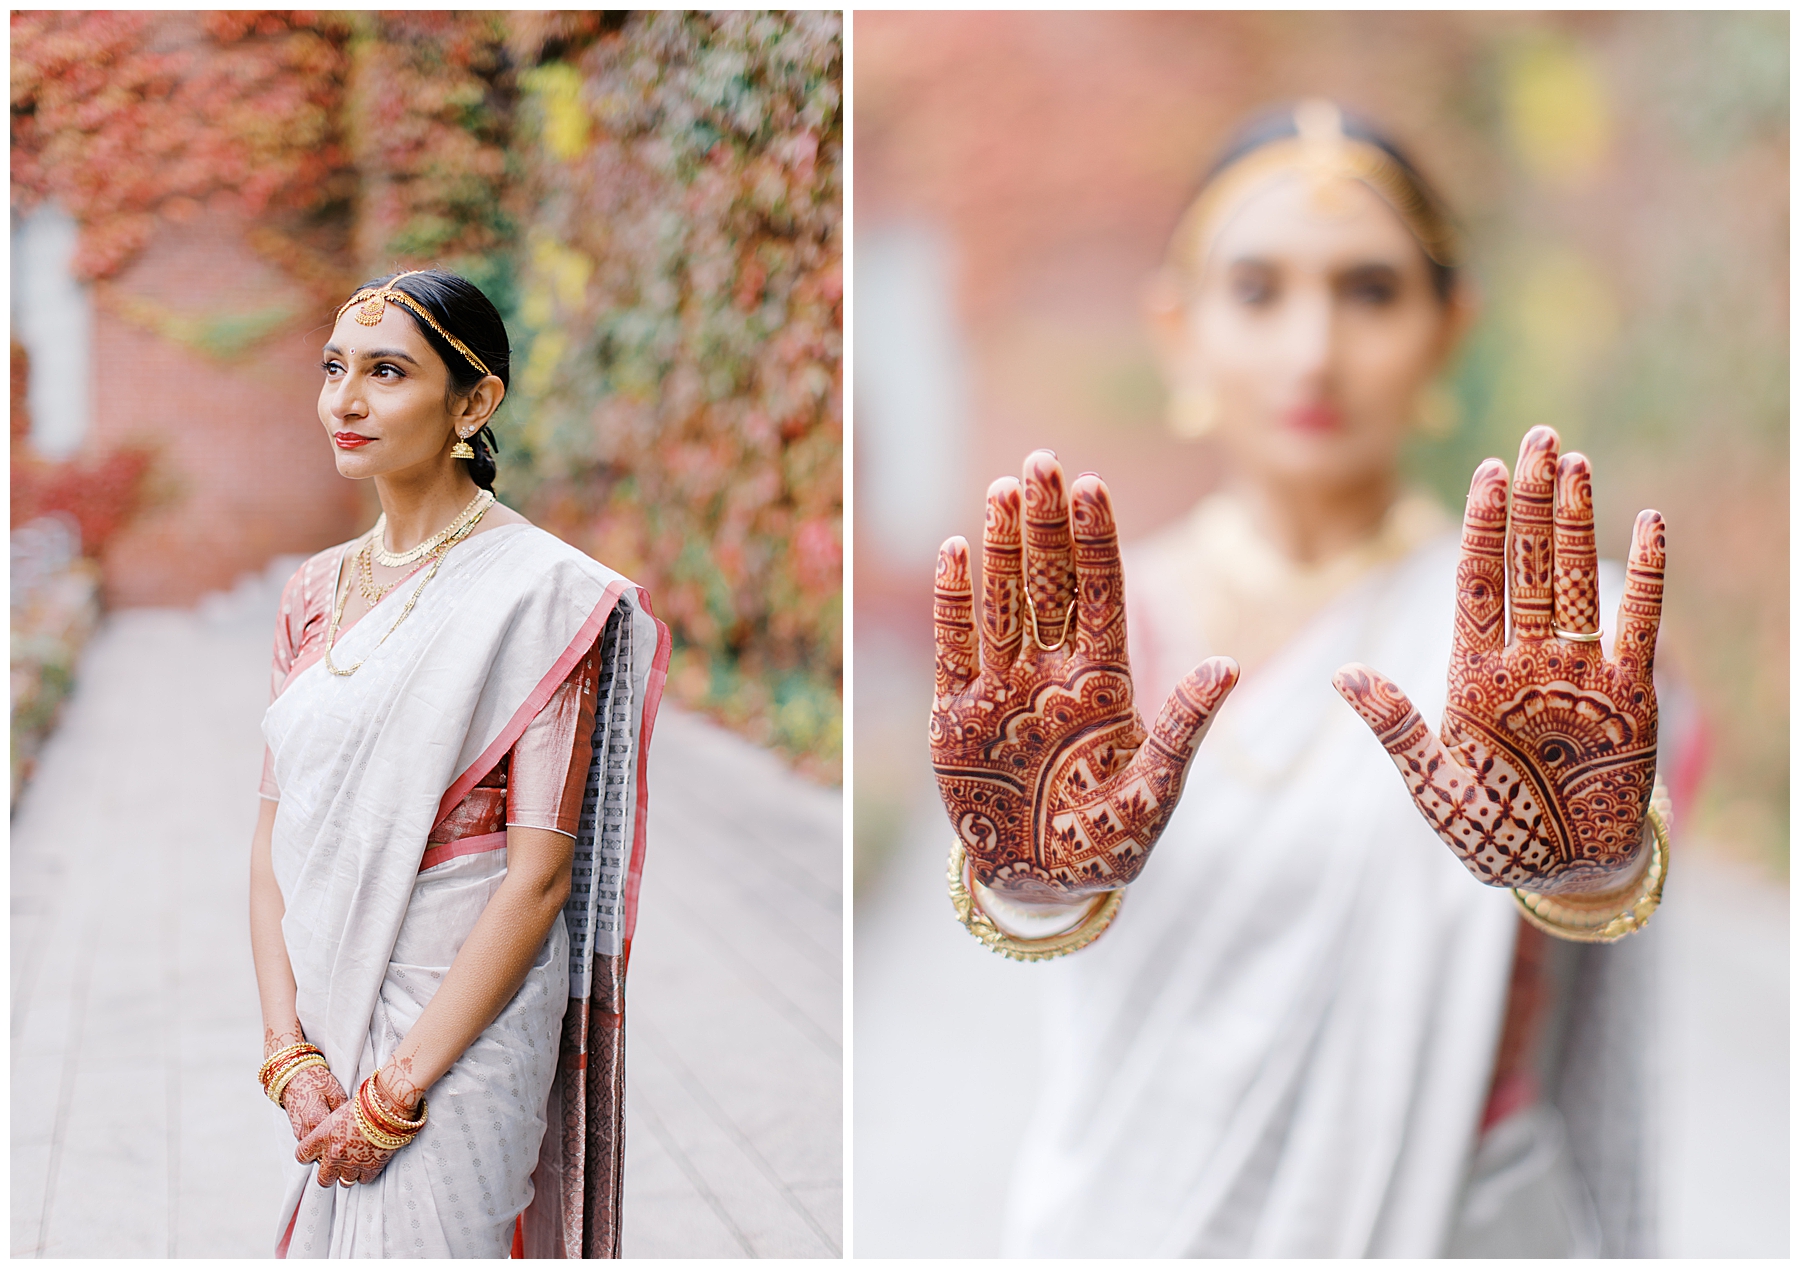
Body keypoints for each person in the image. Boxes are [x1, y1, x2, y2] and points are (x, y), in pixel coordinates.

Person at [929, 101, 1681, 1256]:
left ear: (1450, 327)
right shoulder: (1086, 653)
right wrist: (1024, 871)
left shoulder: (1568, 651)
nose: (1312, 350)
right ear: (1177, 329)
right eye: (1258, 289)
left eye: (1371, 290)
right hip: (1138, 1217)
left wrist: (1588, 863)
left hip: (1457, 1224)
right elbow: (1043, 900)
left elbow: (1600, 938)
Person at [248, 269, 670, 1257]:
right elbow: (271, 835)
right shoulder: (312, 592)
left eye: (386, 372)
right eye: (334, 368)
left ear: (474, 403)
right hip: (328, 1022)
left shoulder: (545, 597)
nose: (344, 401)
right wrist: (286, 1051)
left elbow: (538, 875)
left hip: (465, 1034)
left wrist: (396, 1093)